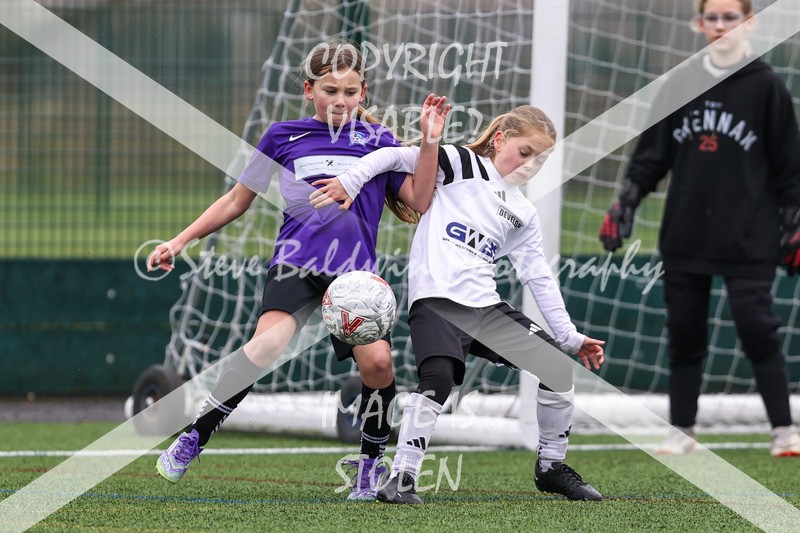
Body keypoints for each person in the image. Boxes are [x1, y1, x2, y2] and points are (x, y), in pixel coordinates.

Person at [148, 39, 451, 501]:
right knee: (266, 345)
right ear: (309, 90)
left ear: (363, 92)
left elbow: (420, 200)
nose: (341, 100)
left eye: (350, 92)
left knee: (379, 363)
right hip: (296, 264)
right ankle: (196, 435)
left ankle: (370, 465)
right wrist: (180, 239)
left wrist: (429, 141)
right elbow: (236, 200)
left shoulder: (379, 140)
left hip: (354, 279)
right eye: (330, 90)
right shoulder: (282, 135)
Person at [312, 105, 606, 503]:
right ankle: (402, 478)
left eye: (540, 159)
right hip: (437, 301)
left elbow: (538, 275)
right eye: (525, 152)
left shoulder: (523, 212)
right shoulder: (461, 162)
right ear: (500, 139)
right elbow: (394, 156)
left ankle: (551, 467)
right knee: (439, 381)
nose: (531, 164)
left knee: (556, 367)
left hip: (485, 307)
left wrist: (569, 337)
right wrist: (350, 180)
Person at [599, 0, 800, 456]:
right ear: (699, 23)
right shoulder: (682, 82)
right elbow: (652, 157)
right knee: (685, 333)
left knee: (758, 329)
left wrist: (794, 222)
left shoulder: (766, 86)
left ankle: (784, 432)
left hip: (750, 235)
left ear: (748, 23)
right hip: (686, 234)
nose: (722, 25)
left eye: (731, 17)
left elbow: (790, 167)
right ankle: (683, 432)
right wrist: (626, 202)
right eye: (713, 17)